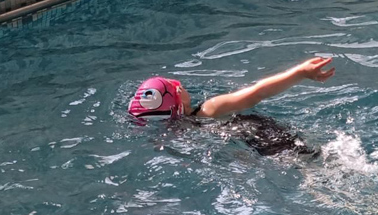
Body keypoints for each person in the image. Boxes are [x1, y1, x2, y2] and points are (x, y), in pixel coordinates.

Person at [127, 56, 335, 157]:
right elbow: (257, 93)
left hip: (260, 153)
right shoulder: (210, 109)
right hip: (273, 139)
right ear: (179, 99)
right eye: (176, 88)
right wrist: (299, 73)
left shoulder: (179, 134)